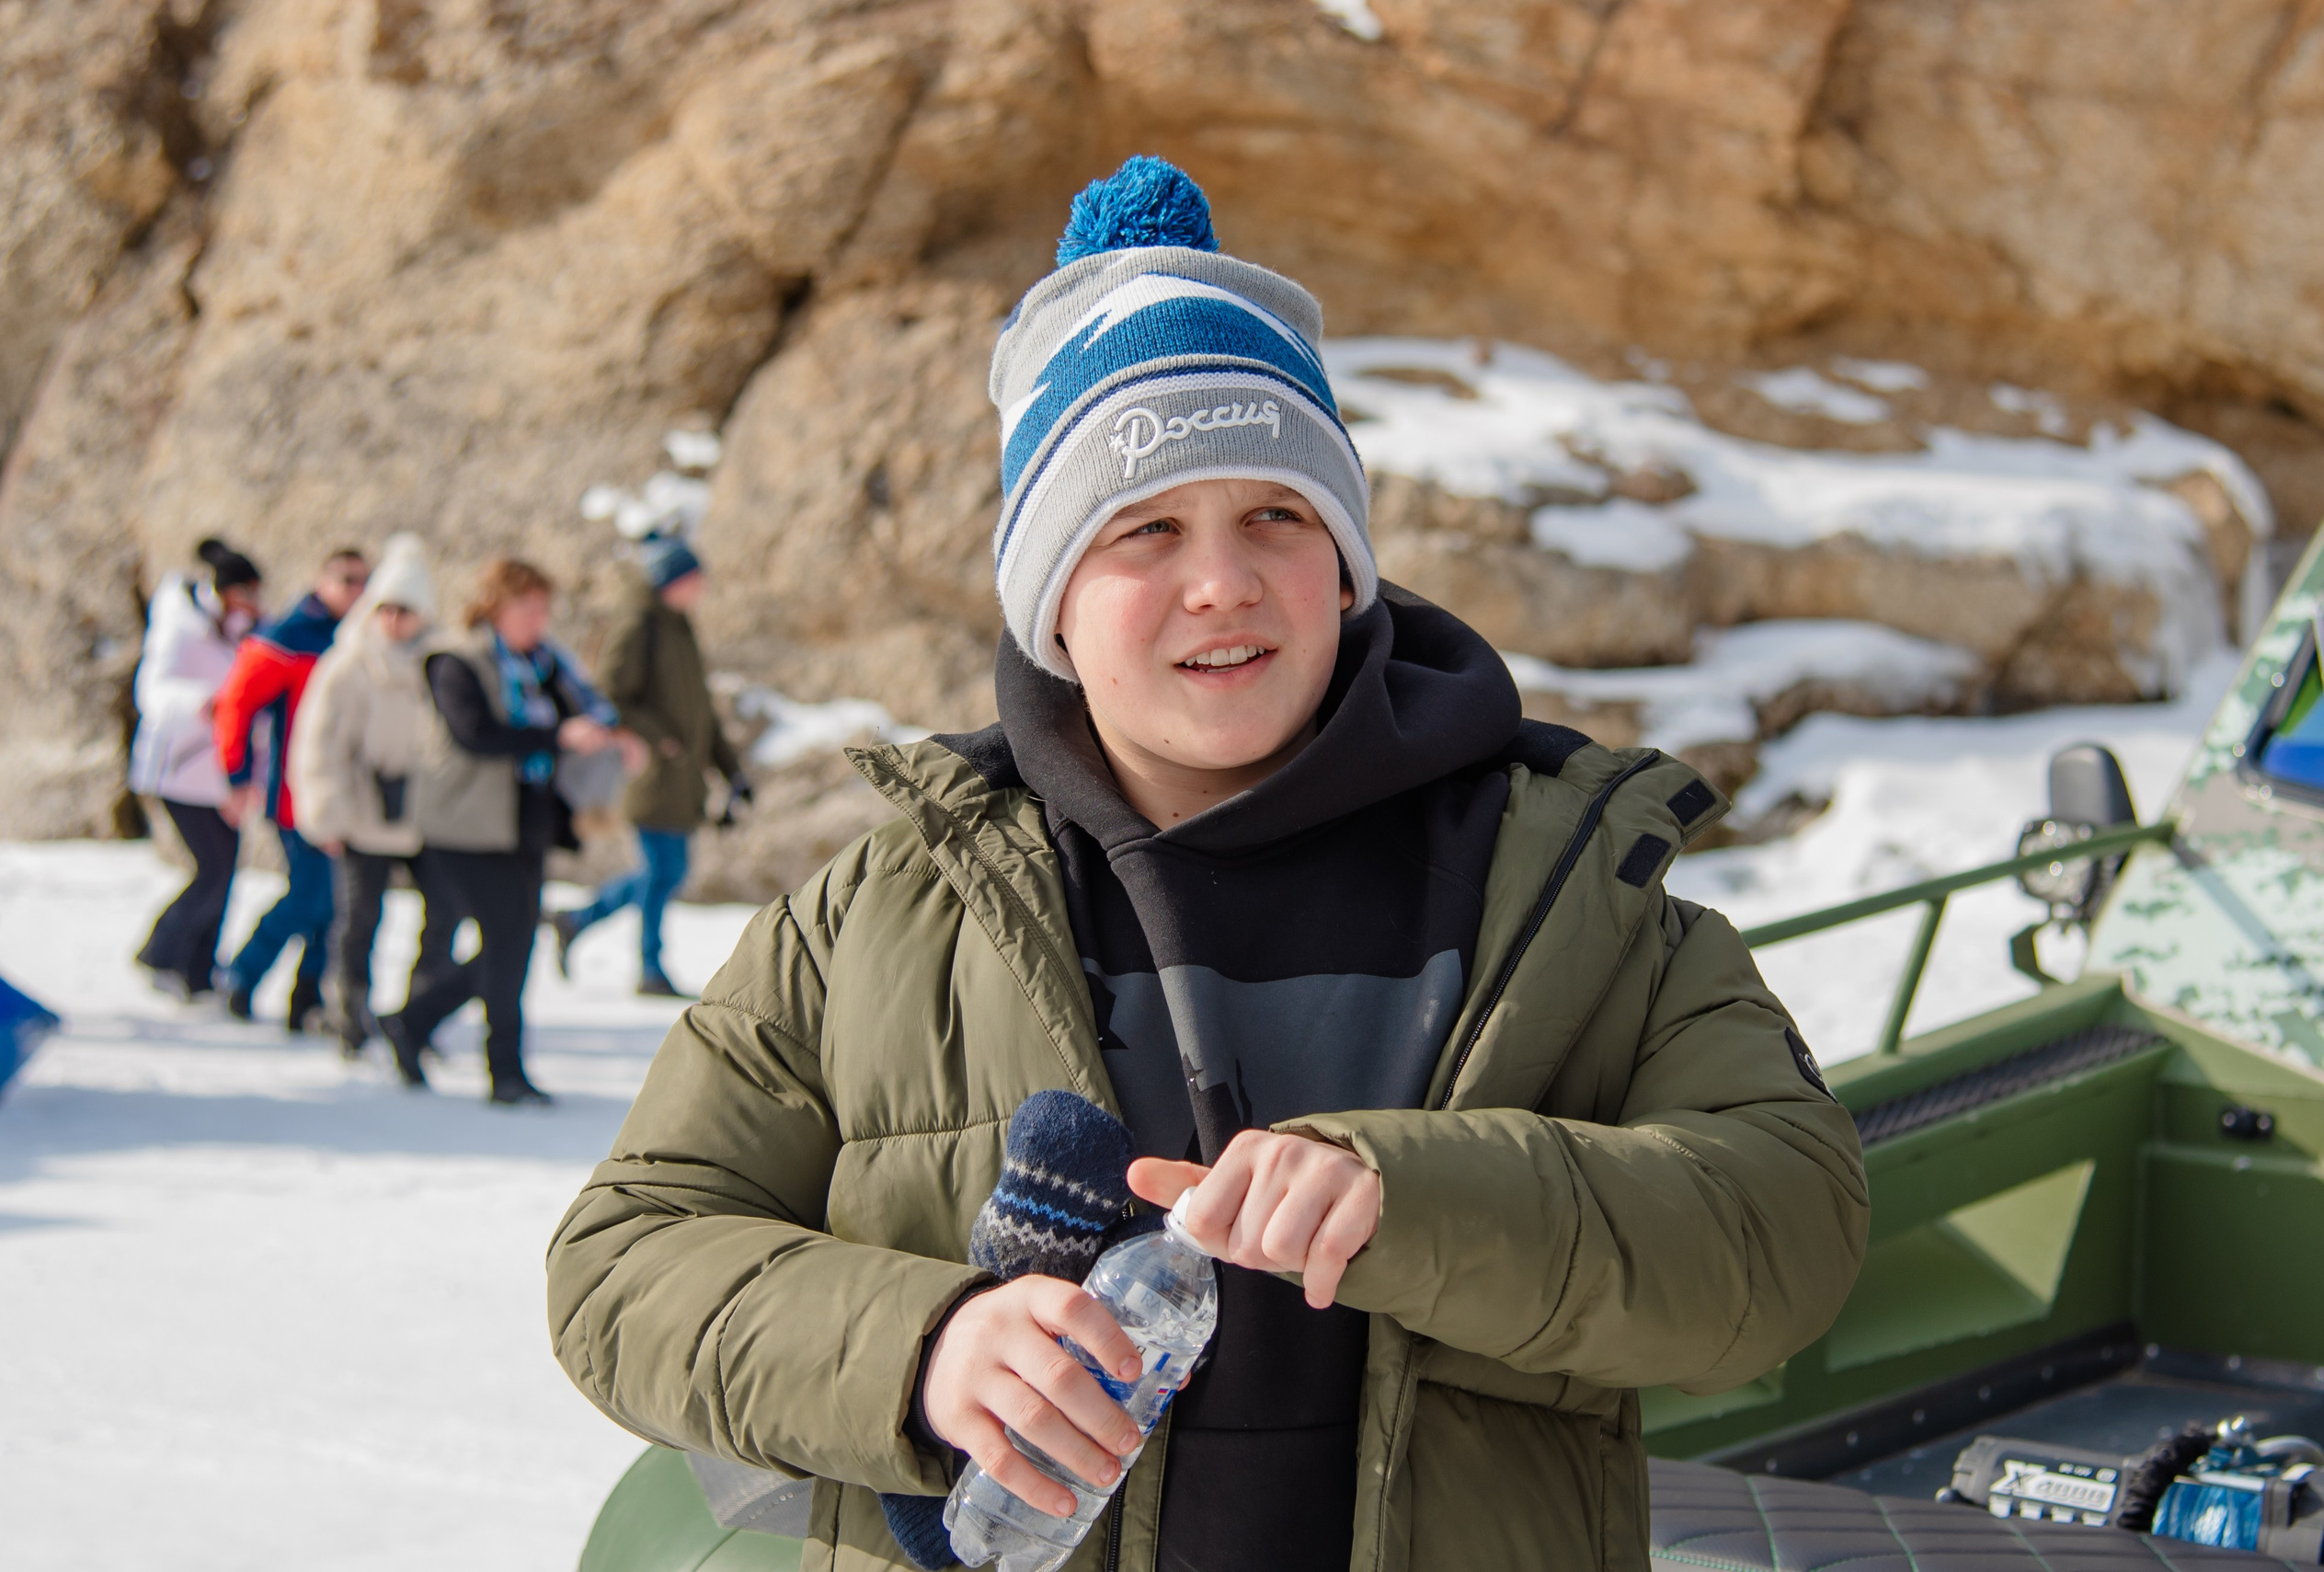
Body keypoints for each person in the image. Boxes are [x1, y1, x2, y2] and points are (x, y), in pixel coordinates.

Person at [545, 159, 1869, 1572]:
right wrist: (923, 1351)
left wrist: (1414, 1198)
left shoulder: (1569, 885)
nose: (1223, 581)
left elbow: (1786, 1228)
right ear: (1052, 593)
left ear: (1346, 563)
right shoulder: (877, 912)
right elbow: (623, 1262)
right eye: (1146, 530)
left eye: (1278, 517)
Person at [385, 558, 635, 1105]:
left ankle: (413, 1022)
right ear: (497, 605)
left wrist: (611, 737)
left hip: (524, 823)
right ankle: (501, 1070)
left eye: (545, 609)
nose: (540, 620)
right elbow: (476, 734)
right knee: (507, 942)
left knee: (514, 945)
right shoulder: (454, 659)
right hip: (462, 825)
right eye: (529, 608)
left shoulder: (543, 664)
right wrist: (559, 736)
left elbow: (582, 714)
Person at [546, 534, 750, 998]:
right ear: (669, 580)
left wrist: (730, 770)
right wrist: (663, 742)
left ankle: (578, 920)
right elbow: (610, 694)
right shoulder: (638, 624)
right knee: (662, 871)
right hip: (649, 771)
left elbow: (701, 710)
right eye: (693, 579)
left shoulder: (679, 626)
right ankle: (649, 966)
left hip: (681, 777)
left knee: (667, 872)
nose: (701, 588)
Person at [290, 534, 451, 1059]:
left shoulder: (441, 665)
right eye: (386, 608)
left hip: (425, 812)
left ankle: (417, 1015)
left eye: (406, 610)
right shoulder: (348, 663)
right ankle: (347, 1012)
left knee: (443, 915)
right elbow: (320, 743)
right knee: (359, 919)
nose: (395, 620)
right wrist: (327, 812)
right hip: (364, 809)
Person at [213, 547, 372, 1027]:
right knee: (308, 894)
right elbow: (237, 704)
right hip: (293, 793)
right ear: (322, 581)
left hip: (347, 793)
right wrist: (236, 776)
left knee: (335, 902)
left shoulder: (361, 637)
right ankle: (242, 973)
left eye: (364, 580)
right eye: (345, 579)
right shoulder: (289, 636)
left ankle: (307, 996)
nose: (355, 590)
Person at [131, 539, 265, 999]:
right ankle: (160, 951)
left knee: (227, 870)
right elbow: (152, 692)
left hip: (223, 777)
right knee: (211, 867)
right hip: (177, 768)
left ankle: (199, 968)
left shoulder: (246, 633)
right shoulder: (180, 627)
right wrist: (202, 703)